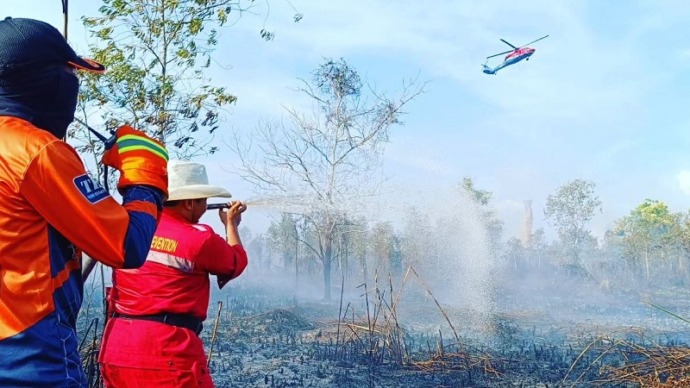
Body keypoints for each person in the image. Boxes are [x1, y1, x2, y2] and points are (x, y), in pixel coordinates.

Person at [0, 17, 169, 387]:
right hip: (25, 354)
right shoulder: (34, 151)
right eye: (69, 73)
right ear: (43, 81)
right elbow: (128, 245)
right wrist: (145, 175)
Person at [99, 159, 249, 387]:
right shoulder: (199, 238)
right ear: (189, 203)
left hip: (118, 349)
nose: (204, 206)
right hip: (169, 354)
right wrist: (232, 225)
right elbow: (235, 263)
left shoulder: (128, 228)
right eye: (203, 201)